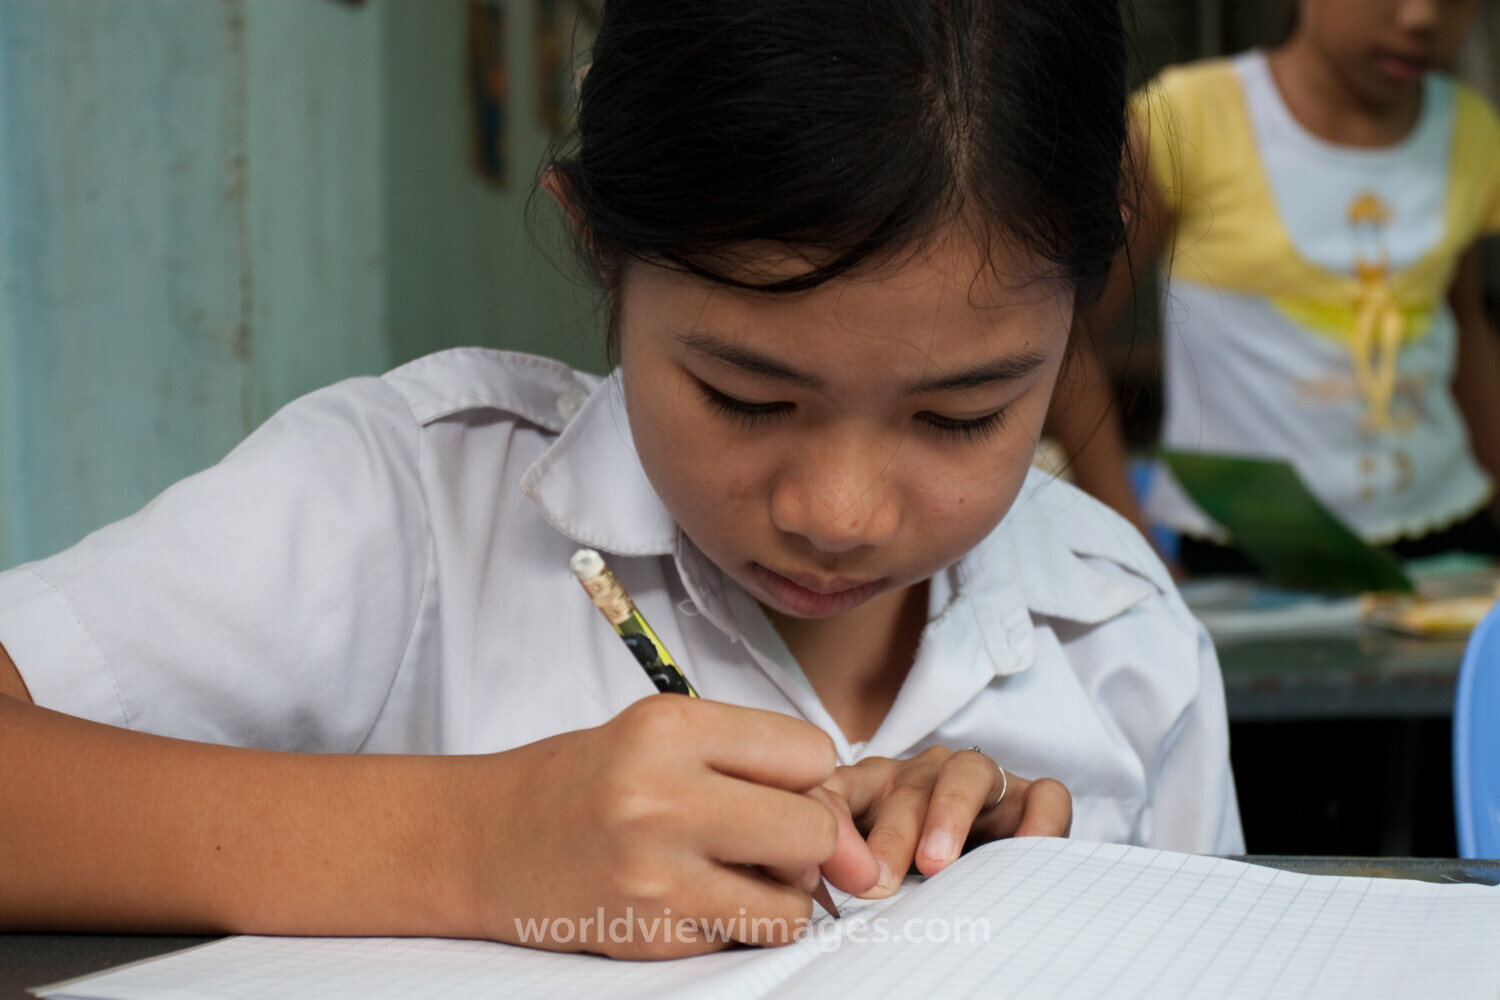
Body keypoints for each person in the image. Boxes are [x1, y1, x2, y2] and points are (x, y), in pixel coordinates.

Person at [0, 0, 1241, 958]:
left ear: (1075, 322)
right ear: (602, 253)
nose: (840, 512)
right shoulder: (414, 512)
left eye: (962, 416)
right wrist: (471, 843)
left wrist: (1045, 915)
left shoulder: (1123, 642)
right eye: (747, 398)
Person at [1049, 0, 1500, 576]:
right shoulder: (1192, 118)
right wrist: (1131, 538)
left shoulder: (1469, 131)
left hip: (1446, 538)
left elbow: (1465, 333)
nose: (1421, 19)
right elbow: (1068, 334)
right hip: (1247, 549)